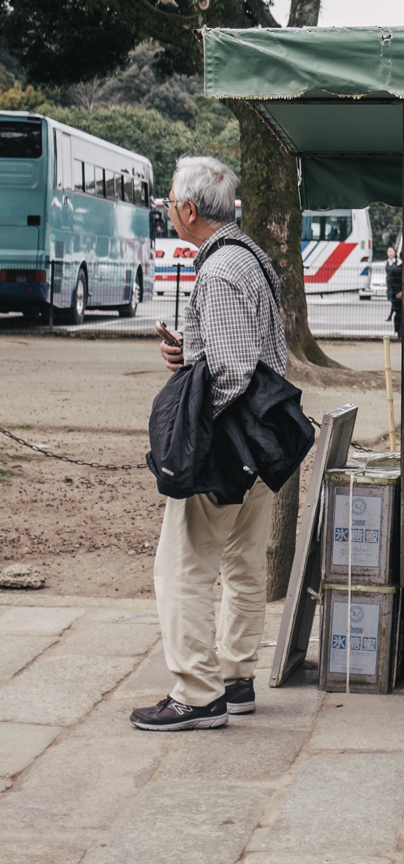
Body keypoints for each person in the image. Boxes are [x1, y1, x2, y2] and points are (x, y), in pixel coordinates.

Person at [131, 157, 286, 732]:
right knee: (243, 563)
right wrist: (186, 353)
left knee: (181, 567)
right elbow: (245, 352)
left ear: (190, 210)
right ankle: (236, 676)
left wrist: (201, 441)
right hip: (264, 441)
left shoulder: (218, 271)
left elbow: (230, 370)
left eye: (171, 200)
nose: (169, 208)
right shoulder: (251, 259)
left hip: (228, 445)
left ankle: (197, 693)